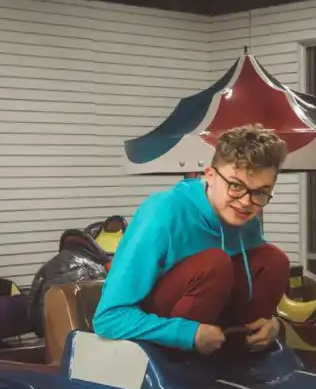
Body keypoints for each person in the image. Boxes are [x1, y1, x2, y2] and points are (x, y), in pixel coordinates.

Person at [92, 124, 292, 356]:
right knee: (214, 264)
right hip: (161, 344)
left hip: (217, 339)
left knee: (274, 260)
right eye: (236, 186)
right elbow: (108, 319)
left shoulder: (247, 221)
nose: (246, 202)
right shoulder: (163, 212)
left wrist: (272, 324)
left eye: (260, 192)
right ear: (209, 176)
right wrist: (187, 333)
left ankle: (242, 353)